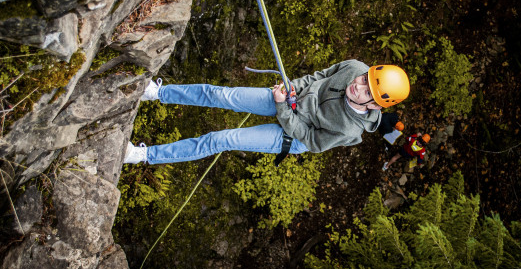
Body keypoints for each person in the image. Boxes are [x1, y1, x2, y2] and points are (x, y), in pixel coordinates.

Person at [124, 59, 410, 165]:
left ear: (375, 105)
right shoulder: (355, 68)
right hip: (289, 100)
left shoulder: (349, 131)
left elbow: (310, 139)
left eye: (367, 91)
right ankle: (157, 93)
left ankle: (143, 155)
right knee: (220, 94)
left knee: (222, 139)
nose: (357, 85)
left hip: (293, 134)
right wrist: (293, 88)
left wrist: (284, 107)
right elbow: (319, 76)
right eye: (364, 79)